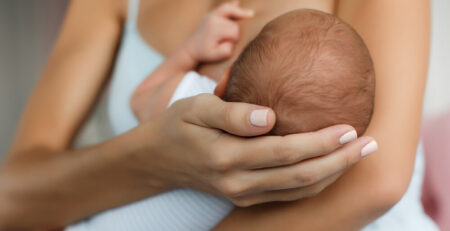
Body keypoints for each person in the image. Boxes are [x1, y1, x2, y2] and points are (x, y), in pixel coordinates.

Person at [0, 0, 432, 230]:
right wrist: (157, 158)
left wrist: (186, 58)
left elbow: (377, 185)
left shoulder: (191, 96)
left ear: (223, 85)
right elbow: (11, 198)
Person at [67, 7, 377, 231]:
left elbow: (141, 98)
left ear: (224, 79)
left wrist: (191, 51)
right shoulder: (298, 187)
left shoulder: (192, 100)